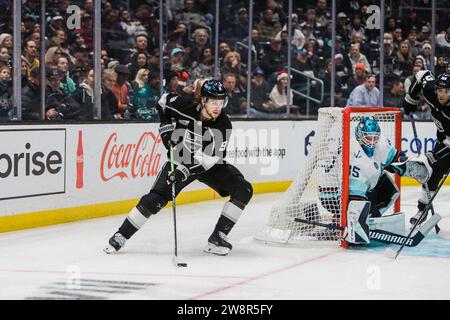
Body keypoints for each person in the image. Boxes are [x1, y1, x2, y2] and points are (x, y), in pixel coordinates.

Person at [104, 79, 253, 256]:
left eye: (221, 102)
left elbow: (210, 159)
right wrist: (166, 129)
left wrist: (184, 171)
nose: (217, 107)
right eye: (213, 102)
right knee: (155, 199)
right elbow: (162, 102)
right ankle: (121, 236)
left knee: (243, 188)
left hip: (208, 164)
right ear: (203, 100)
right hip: (180, 156)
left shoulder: (223, 125)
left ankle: (218, 237)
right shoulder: (183, 105)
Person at [402, 70, 450, 226]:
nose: (441, 94)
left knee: (431, 162)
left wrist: (432, 154)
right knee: (433, 173)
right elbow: (422, 75)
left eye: (447, 91)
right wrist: (411, 99)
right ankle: (422, 211)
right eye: (440, 90)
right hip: (445, 140)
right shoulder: (431, 92)